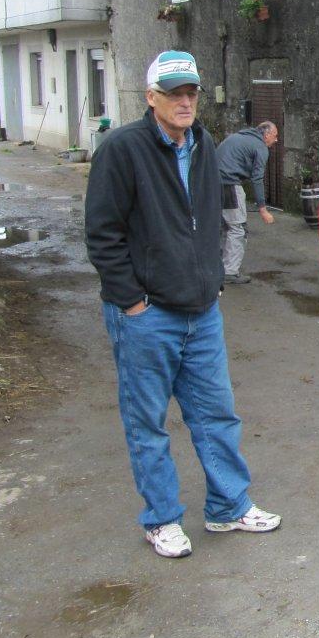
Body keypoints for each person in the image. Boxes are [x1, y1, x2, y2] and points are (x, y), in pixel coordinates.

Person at [85, 50, 280, 559]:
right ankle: (161, 519)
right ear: (152, 99)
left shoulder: (203, 143)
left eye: (191, 91)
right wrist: (131, 302)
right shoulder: (121, 149)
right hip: (147, 315)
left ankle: (228, 507)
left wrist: (213, 278)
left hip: (201, 310)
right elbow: (102, 235)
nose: (185, 101)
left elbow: (209, 216)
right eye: (174, 93)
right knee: (147, 423)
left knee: (217, 414)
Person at [217, 121, 278, 285]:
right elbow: (257, 179)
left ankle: (217, 268)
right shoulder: (260, 147)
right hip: (229, 185)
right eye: (275, 136)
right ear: (266, 135)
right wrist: (263, 209)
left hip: (212, 183)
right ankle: (229, 272)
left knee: (222, 227)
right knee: (238, 228)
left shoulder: (238, 137)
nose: (276, 140)